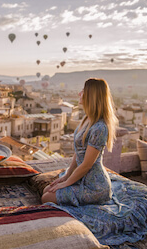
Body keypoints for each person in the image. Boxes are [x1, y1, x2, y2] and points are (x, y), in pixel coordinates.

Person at [41, 78, 119, 206]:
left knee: (47, 198)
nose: (79, 93)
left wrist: (67, 183)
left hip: (94, 186)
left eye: (83, 91)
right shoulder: (87, 119)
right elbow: (78, 153)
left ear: (91, 96)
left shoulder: (99, 128)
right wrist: (66, 176)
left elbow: (87, 164)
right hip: (81, 178)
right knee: (46, 191)